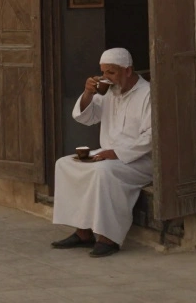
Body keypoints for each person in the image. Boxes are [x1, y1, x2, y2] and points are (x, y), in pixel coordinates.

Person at [50, 47, 152, 258]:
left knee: (103, 171)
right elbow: (86, 117)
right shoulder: (108, 91)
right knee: (64, 164)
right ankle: (83, 233)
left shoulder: (147, 94)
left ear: (128, 71)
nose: (106, 77)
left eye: (111, 72)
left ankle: (109, 238)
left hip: (138, 160)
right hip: (107, 155)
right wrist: (88, 92)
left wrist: (117, 153)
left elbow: (151, 137)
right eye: (103, 72)